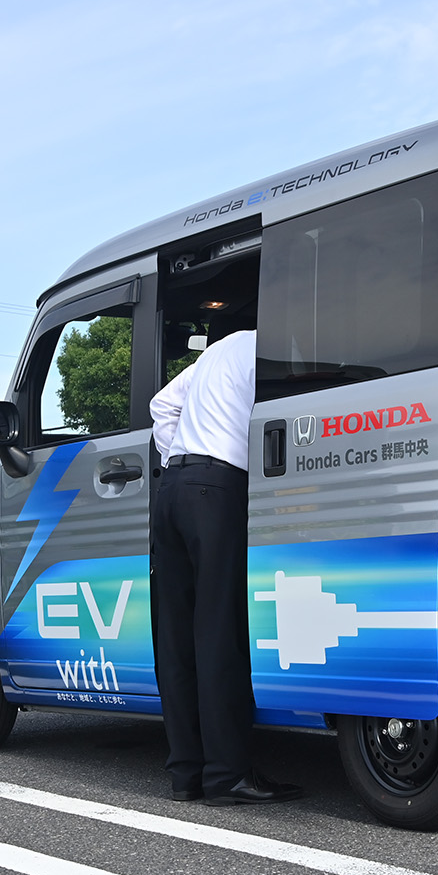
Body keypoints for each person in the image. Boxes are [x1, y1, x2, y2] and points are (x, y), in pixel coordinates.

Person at [148, 323, 303, 806]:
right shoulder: (278, 346)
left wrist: (182, 455)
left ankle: (185, 774)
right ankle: (226, 776)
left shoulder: (220, 350)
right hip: (217, 490)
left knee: (175, 639)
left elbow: (161, 405)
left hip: (171, 488)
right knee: (218, 633)